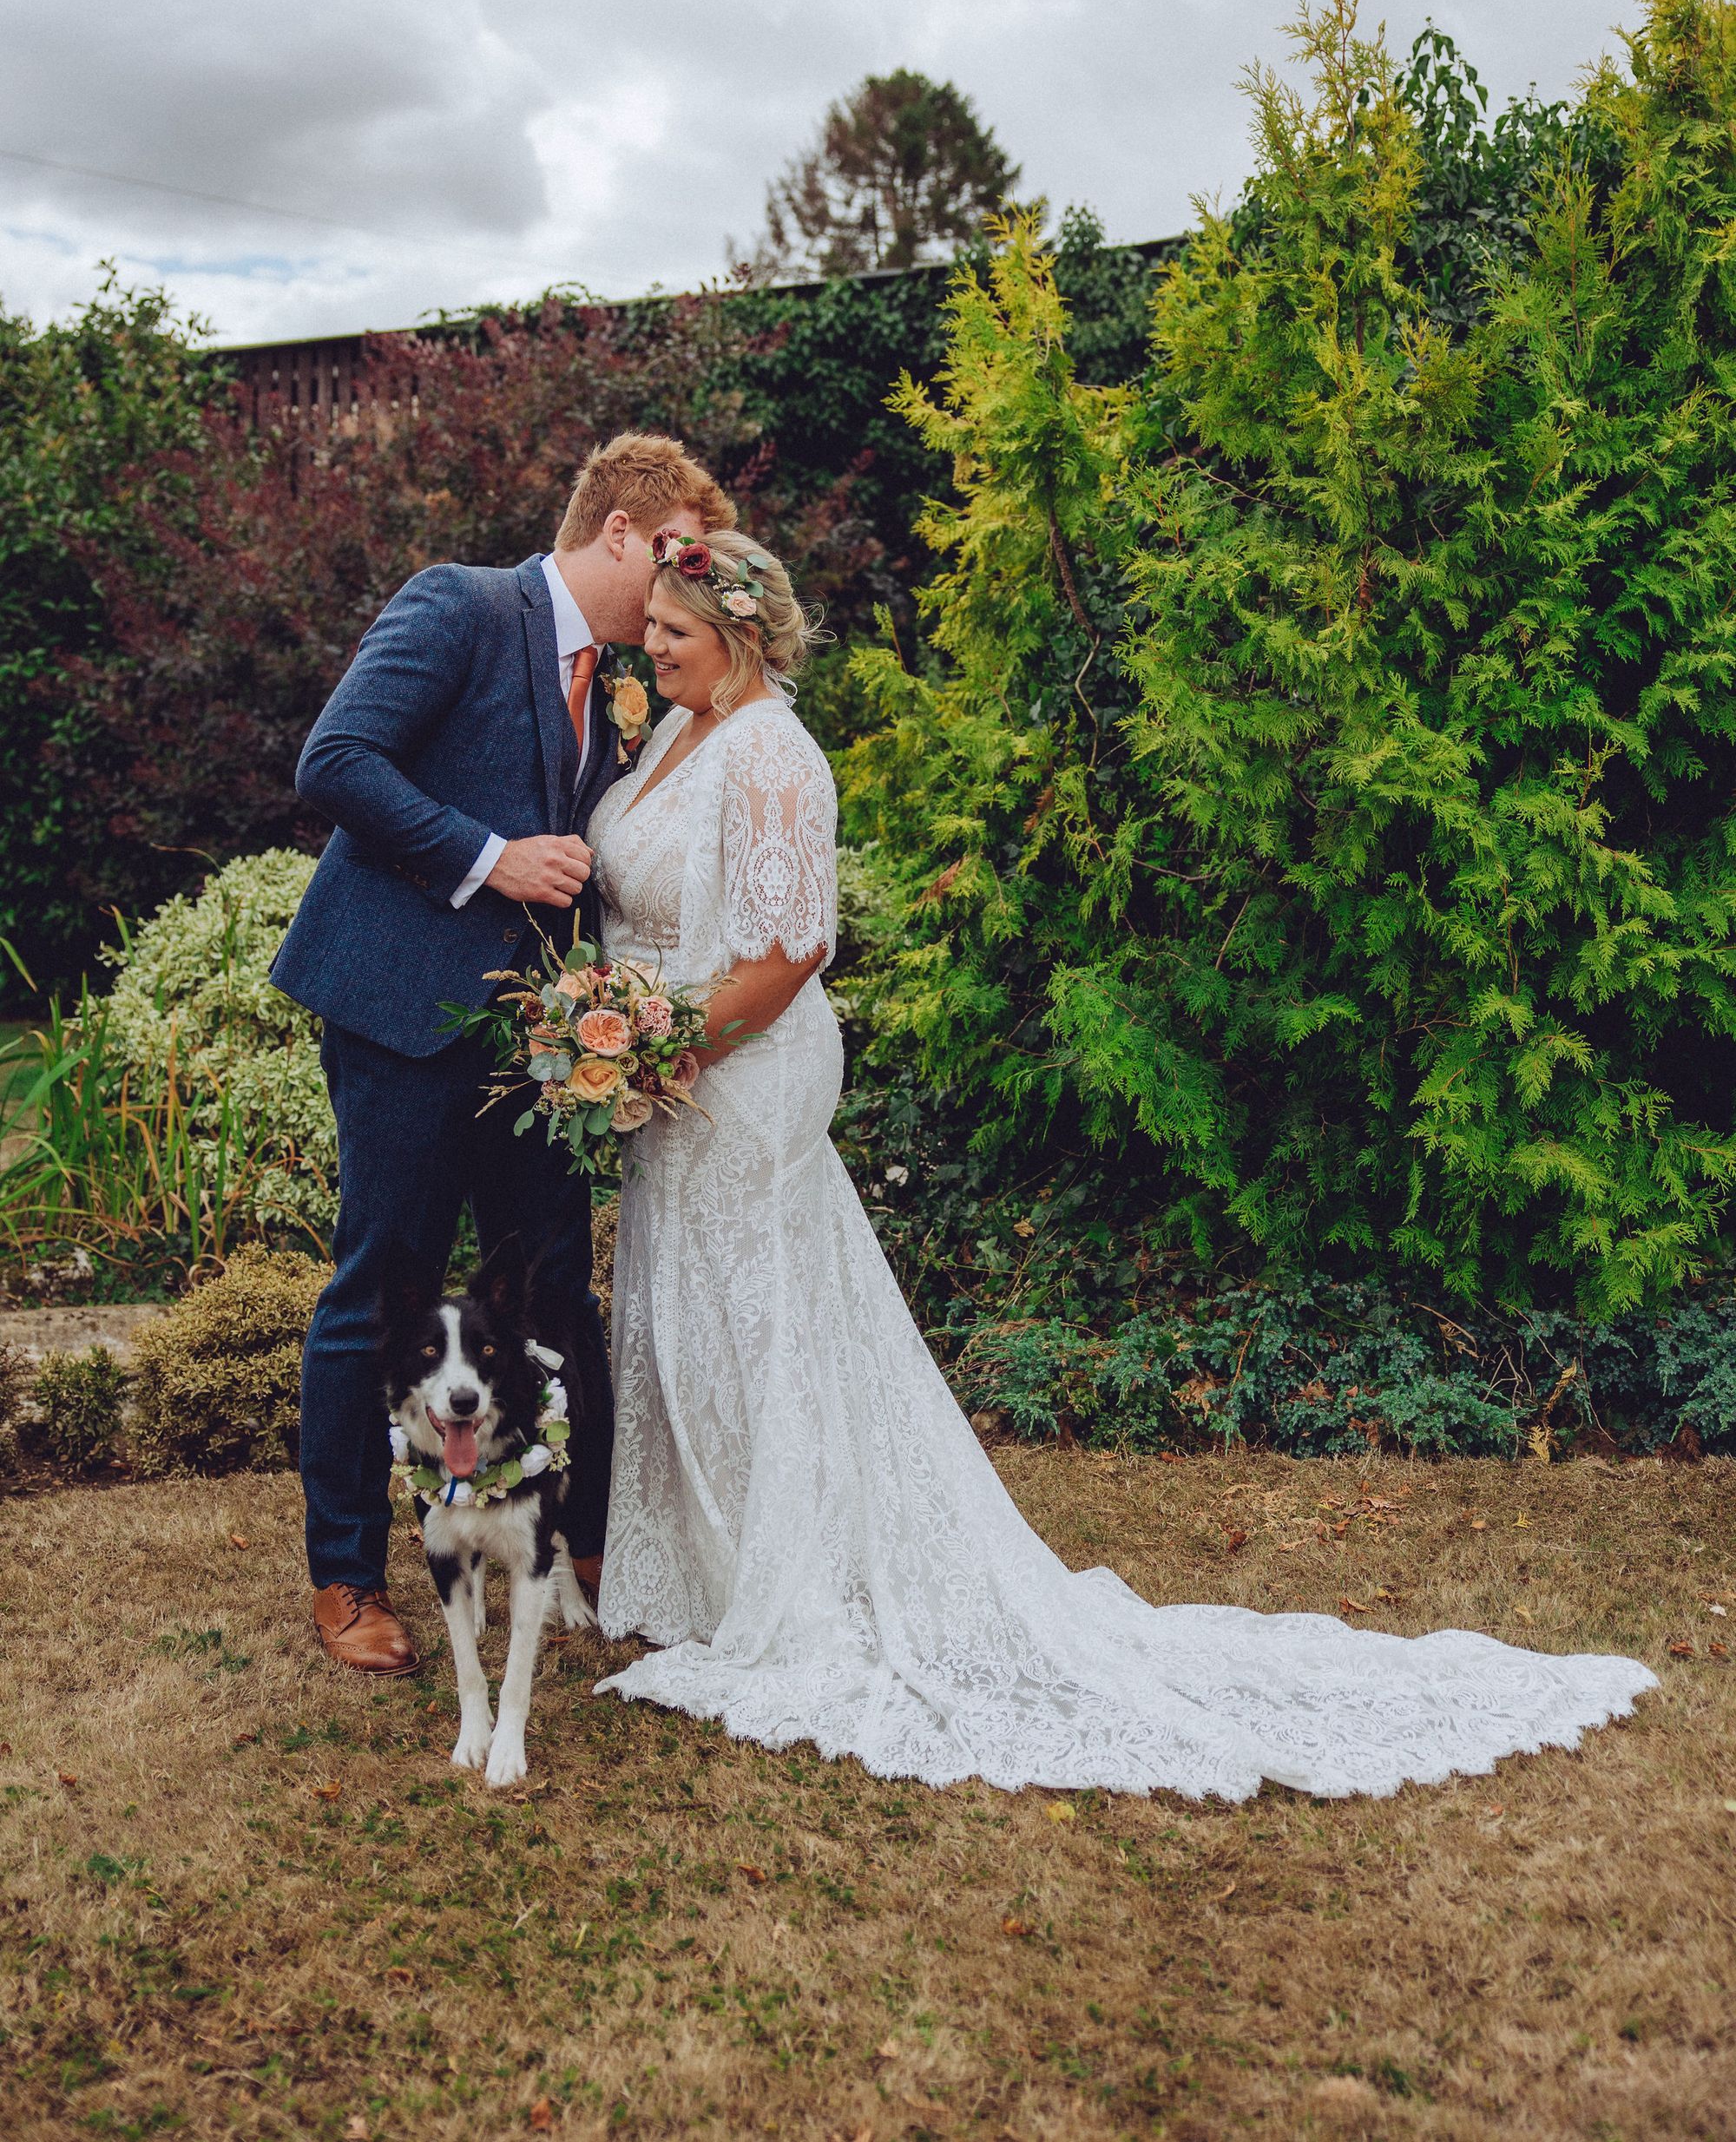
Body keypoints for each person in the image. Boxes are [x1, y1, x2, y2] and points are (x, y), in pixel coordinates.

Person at [585, 527, 1658, 1795]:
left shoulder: (776, 755)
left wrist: (660, 1049)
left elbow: (787, 954)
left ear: (744, 637)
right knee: (690, 1310)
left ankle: (792, 1582)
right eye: (649, 624)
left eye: (674, 631)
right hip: (666, 1077)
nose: (647, 647)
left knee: (755, 1316)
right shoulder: (669, 732)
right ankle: (704, 1567)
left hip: (740, 1072)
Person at [273, 433, 733, 1674]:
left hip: (534, 1053)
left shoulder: (624, 684)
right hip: (399, 1019)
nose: (688, 580)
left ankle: (586, 1543)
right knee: (384, 1282)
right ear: (623, 534)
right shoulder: (460, 605)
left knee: (553, 1289)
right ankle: (347, 1577)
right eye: (679, 552)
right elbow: (336, 764)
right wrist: (489, 857)